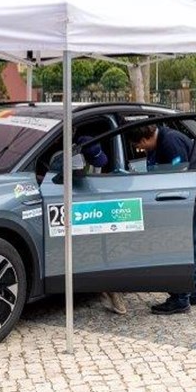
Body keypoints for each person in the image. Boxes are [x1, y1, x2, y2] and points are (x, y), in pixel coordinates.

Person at [130, 122, 196, 315]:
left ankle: (180, 299)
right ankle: (194, 293)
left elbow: (180, 178)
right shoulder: (159, 144)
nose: (139, 149)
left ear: (145, 138)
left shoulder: (170, 143)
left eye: (138, 145)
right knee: (187, 246)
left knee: (184, 248)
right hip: (190, 198)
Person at [75, 135, 128, 316]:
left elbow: (96, 180)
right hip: (76, 205)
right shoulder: (67, 160)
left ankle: (111, 289)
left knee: (106, 246)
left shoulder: (96, 162)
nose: (97, 163)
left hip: (93, 206)